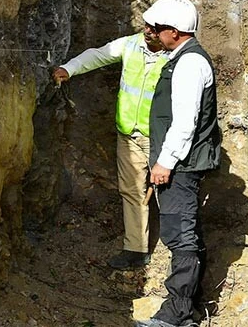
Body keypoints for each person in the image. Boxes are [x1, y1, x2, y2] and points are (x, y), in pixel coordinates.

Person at [135, 0, 222, 327]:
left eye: (158, 29)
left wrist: (165, 162)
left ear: (174, 31)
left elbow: (185, 121)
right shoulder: (183, 58)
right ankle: (186, 310)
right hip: (181, 163)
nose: (154, 33)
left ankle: (175, 315)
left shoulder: (188, 63)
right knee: (186, 231)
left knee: (179, 235)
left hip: (181, 166)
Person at [52, 22, 168, 270]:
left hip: (161, 138)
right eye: (146, 27)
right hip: (128, 133)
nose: (146, 32)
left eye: (153, 29)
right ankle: (136, 250)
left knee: (171, 193)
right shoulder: (131, 44)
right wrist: (69, 69)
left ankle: (177, 252)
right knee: (132, 191)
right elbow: (99, 55)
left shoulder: (177, 55)